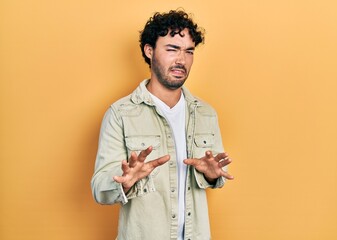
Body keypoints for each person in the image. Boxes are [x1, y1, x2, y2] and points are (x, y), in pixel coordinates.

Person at [91, 9, 234, 240]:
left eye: (189, 51)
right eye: (172, 49)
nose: (181, 60)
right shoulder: (120, 114)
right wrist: (124, 181)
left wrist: (211, 175)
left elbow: (214, 177)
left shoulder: (206, 114)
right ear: (149, 51)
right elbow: (100, 189)